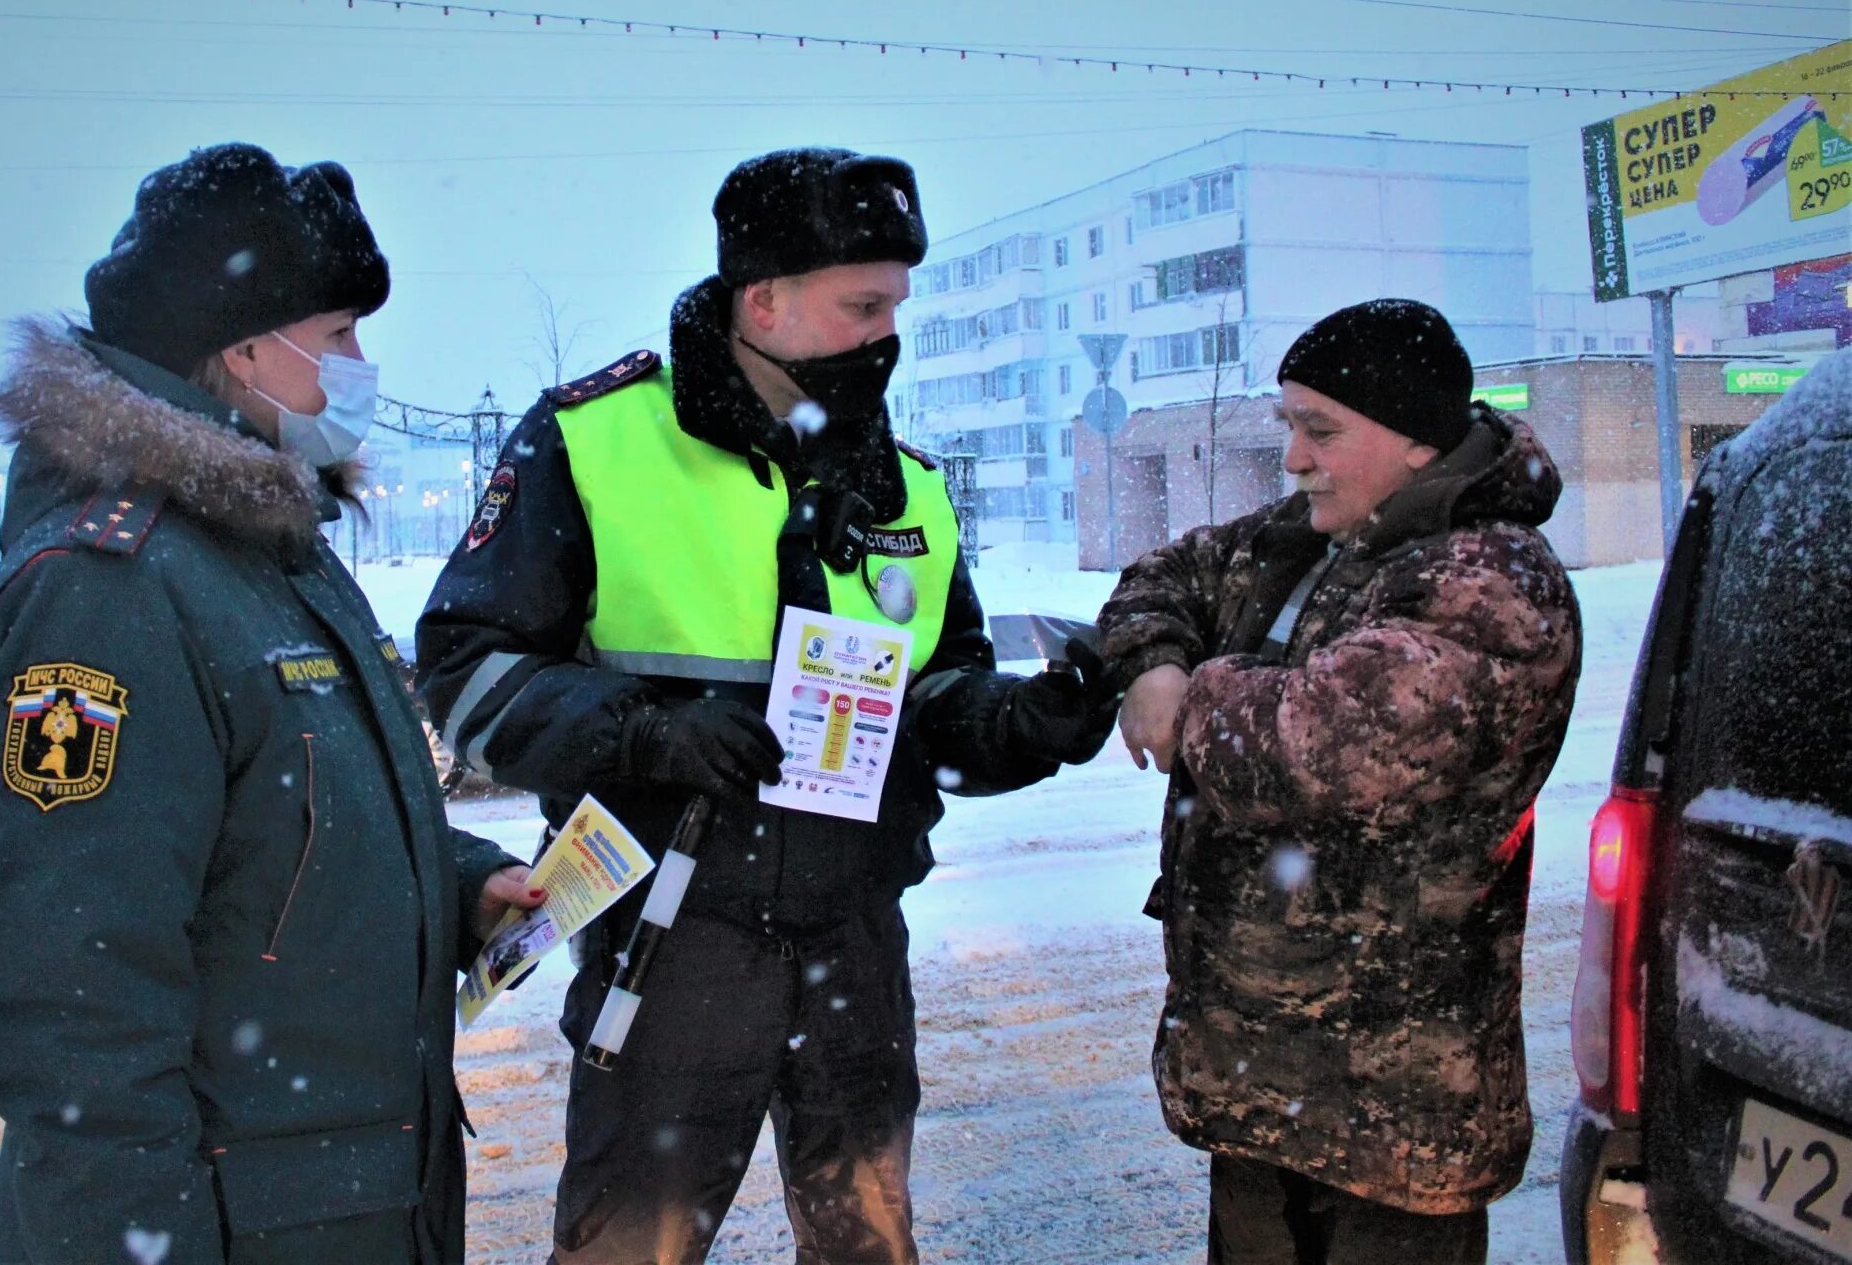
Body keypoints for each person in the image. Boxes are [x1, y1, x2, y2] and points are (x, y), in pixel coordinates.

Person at [416, 146, 1120, 1264]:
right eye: (862, 305)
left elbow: (937, 689)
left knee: (867, 1245)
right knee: (626, 1249)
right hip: (672, 934)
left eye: (895, 303)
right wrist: (644, 729)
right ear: (764, 300)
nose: (887, 333)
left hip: (854, 939)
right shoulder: (591, 440)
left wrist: (1019, 724)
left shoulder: (908, 481)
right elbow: (464, 670)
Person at [0, 143, 542, 1264]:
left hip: (337, 1201)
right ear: (243, 348)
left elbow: (282, 817)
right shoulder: (108, 587)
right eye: (336, 337)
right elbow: (76, 992)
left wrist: (462, 881)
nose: (361, 365)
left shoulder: (265, 548)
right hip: (238, 1223)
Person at [1098, 299, 1582, 1264]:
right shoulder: (1316, 537)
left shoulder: (1491, 585)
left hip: (1392, 1115)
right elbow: (1166, 573)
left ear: (1414, 443)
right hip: (1261, 1086)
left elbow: (1320, 747)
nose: (1294, 459)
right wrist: (1152, 659)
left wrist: (1188, 697)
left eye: (1321, 431)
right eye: (1288, 427)